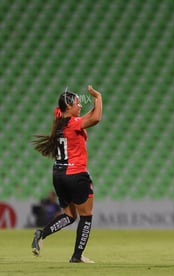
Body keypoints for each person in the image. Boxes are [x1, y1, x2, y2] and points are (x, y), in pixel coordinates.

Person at [31, 85, 102, 263]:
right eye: (77, 103)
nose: (80, 106)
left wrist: (92, 103)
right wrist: (98, 97)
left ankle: (42, 233)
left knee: (70, 216)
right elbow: (96, 118)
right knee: (86, 216)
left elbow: (87, 116)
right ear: (68, 107)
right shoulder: (72, 123)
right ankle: (77, 256)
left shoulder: (60, 121)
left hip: (59, 174)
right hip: (76, 174)